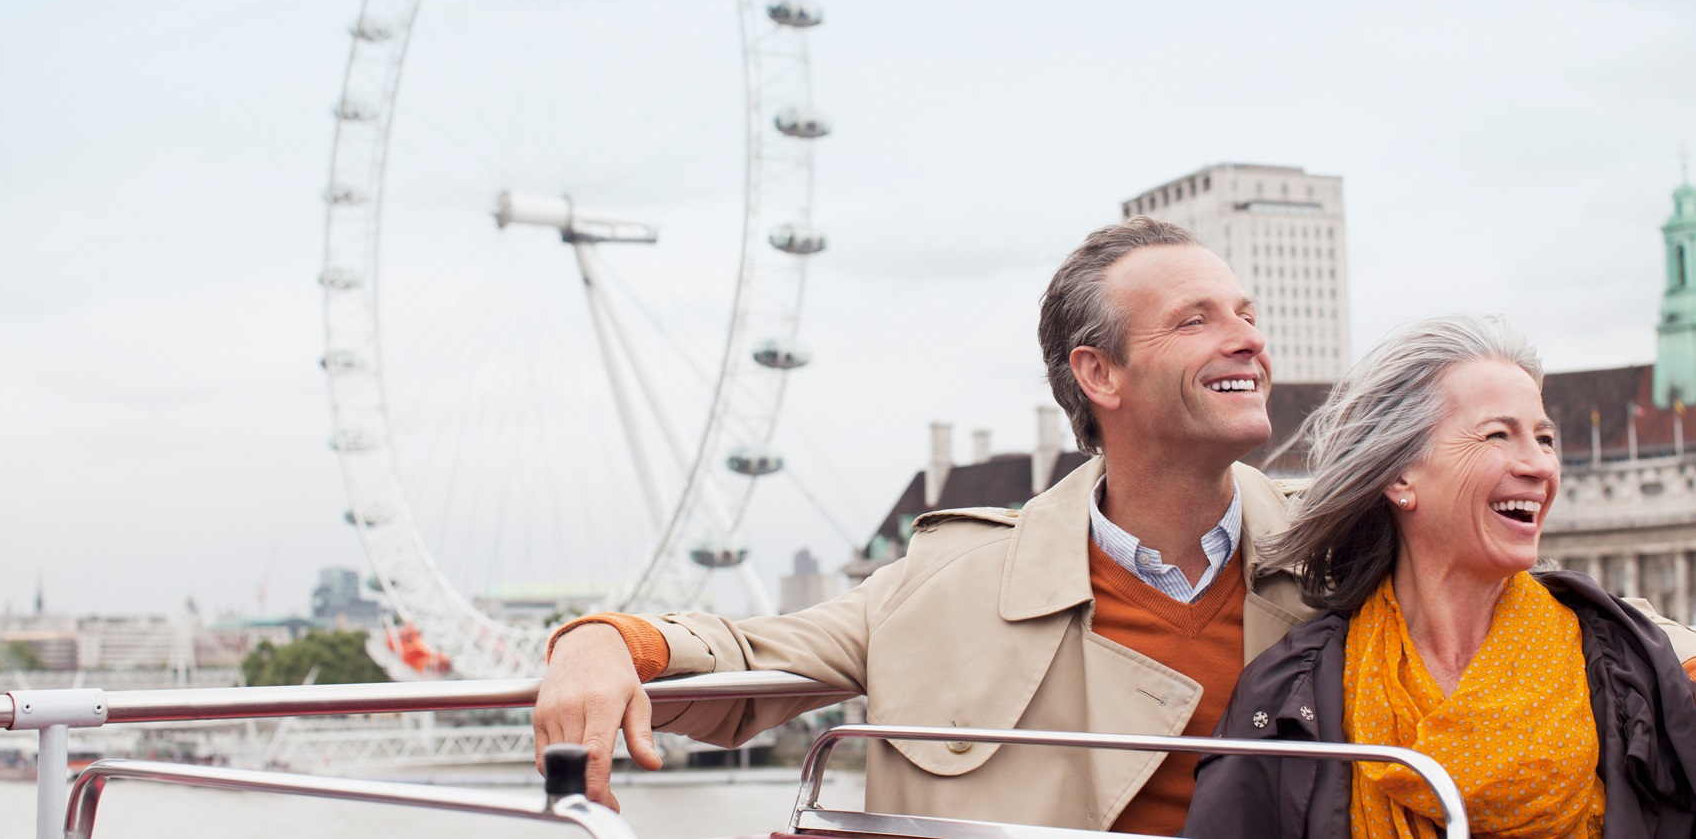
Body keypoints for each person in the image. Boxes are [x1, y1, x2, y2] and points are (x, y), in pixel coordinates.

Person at [533, 217, 1318, 833]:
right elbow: (744, 663)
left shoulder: (1340, 554)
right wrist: (601, 642)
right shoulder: (948, 583)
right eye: (1195, 321)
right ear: (1099, 374)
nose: (1247, 337)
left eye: (1246, 315)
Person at [1183, 315, 1696, 839]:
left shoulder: (1639, 668)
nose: (1540, 465)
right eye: (1499, 434)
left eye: (1544, 439)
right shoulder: (1289, 692)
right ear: (1401, 474)